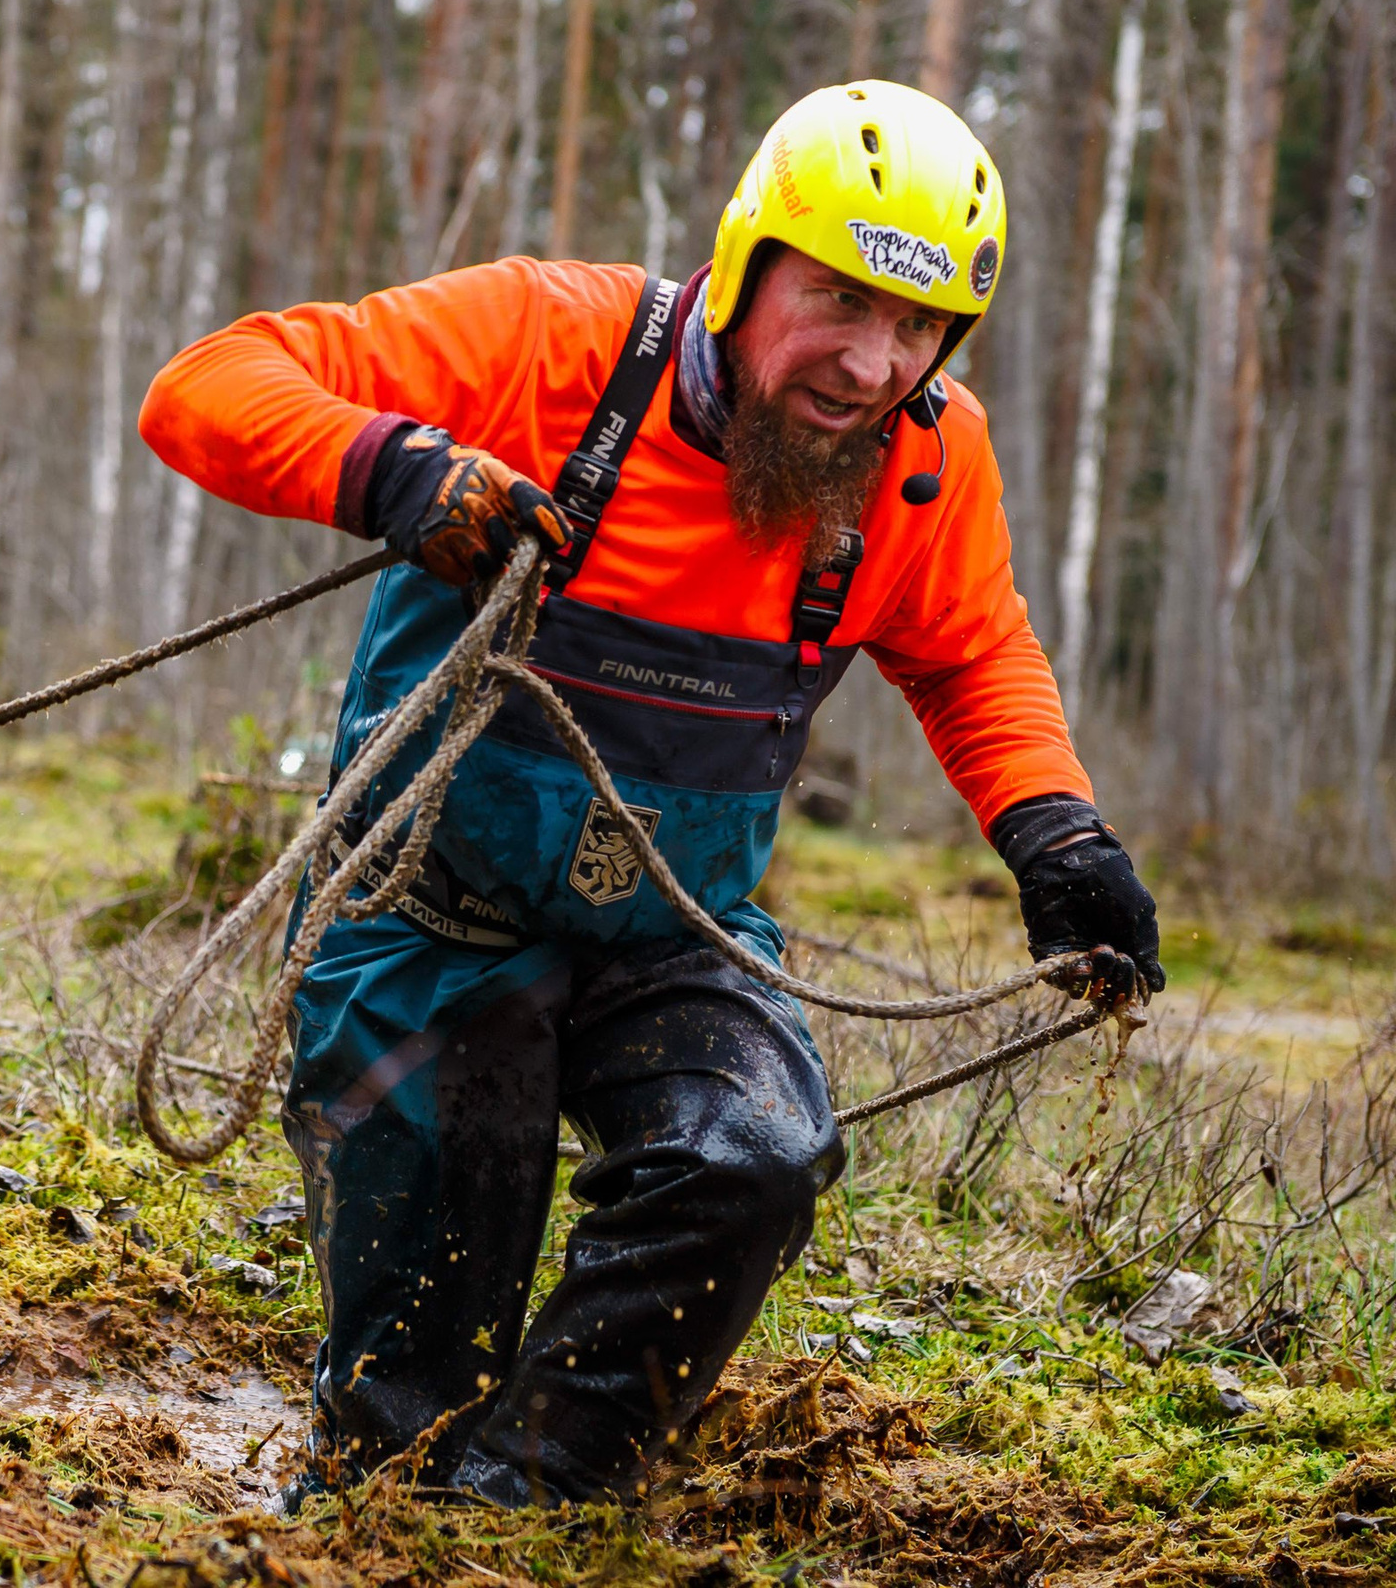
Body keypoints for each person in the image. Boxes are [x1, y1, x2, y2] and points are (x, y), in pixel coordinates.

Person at [137, 80, 1162, 1510]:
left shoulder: (926, 468)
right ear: (746, 267)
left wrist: (1056, 835)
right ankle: (408, 1488)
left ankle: (538, 1494)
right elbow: (201, 388)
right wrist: (397, 472)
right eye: (842, 303)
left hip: (674, 938)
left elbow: (973, 651)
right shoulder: (547, 338)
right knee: (405, 1417)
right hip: (424, 928)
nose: (874, 365)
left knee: (756, 1156)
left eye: (920, 329)